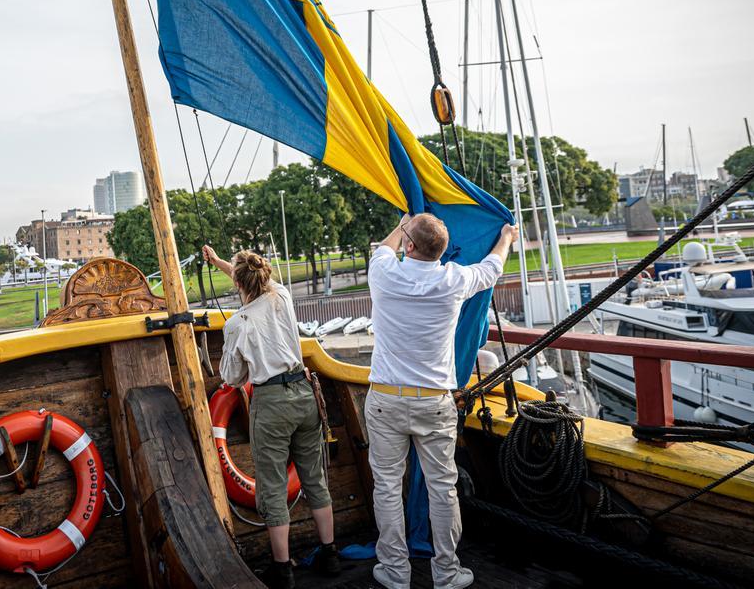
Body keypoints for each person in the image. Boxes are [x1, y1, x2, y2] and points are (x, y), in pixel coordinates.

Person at [366, 213, 518, 589]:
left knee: (386, 487)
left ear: (410, 245)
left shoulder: (384, 272)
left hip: (386, 398)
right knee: (443, 488)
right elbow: (492, 268)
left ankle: (395, 573)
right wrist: (507, 237)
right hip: (434, 403)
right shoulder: (455, 280)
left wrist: (400, 224)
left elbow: (384, 249)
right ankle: (447, 573)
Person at [203, 244, 339, 589]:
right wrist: (220, 261)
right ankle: (330, 554)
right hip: (304, 394)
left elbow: (232, 378)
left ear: (238, 284)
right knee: (314, 478)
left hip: (272, 402)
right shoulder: (282, 295)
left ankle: (283, 570)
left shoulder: (238, 323)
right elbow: (250, 278)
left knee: (273, 487)